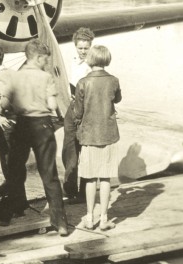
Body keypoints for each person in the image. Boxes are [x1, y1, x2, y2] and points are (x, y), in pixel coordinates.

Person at [0, 39, 68, 236]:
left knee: (15, 171)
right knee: (49, 174)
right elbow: (53, 105)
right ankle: (60, 222)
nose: (46, 62)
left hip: (22, 126)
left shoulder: (15, 77)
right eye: (45, 59)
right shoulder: (46, 77)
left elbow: (2, 105)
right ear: (37, 58)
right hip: (43, 126)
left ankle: (4, 215)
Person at [73, 45, 121, 231]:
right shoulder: (114, 80)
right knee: (106, 178)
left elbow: (78, 112)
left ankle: (89, 217)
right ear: (106, 59)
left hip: (89, 135)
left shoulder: (82, 82)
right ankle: (104, 219)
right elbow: (117, 99)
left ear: (90, 59)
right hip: (108, 134)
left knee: (91, 178)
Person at [0, 42, 29, 215]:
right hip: (21, 122)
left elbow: (6, 97)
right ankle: (21, 202)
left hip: (7, 125)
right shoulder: (13, 73)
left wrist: (0, 113)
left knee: (8, 165)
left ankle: (17, 205)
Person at [62, 27, 95, 201]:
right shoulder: (72, 61)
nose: (82, 51)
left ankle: (84, 192)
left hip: (87, 110)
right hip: (72, 106)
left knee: (86, 150)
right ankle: (69, 190)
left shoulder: (93, 64)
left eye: (86, 48)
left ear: (91, 46)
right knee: (69, 148)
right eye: (80, 48)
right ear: (75, 46)